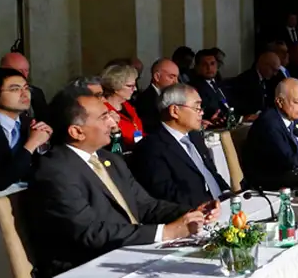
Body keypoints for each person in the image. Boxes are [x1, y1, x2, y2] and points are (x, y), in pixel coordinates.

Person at [27, 85, 216, 277]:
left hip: (130, 252)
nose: (112, 123)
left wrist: (192, 212)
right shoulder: (54, 171)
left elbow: (146, 205)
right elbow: (90, 232)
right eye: (103, 117)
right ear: (77, 132)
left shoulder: (109, 159)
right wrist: (165, 232)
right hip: (90, 266)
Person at [128, 84, 229, 208]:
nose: (202, 113)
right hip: (195, 211)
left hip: (221, 203)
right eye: (197, 108)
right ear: (174, 111)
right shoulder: (150, 148)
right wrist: (208, 205)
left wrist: (226, 192)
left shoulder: (194, 136)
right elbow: (166, 194)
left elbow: (210, 173)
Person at [0, 67, 51, 191]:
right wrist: (32, 144)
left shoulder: (30, 123)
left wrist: (42, 144)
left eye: (26, 88)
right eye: (15, 89)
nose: (24, 94)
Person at [101, 65, 145, 150]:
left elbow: (138, 132)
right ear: (115, 87)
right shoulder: (104, 111)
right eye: (130, 86)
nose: (135, 89)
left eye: (134, 85)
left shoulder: (129, 106)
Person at [0, 52, 48, 123]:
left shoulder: (36, 92)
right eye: (19, 71)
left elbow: (45, 120)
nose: (24, 75)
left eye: (26, 70)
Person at [134, 59, 180, 132]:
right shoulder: (145, 100)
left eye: (177, 77)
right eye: (171, 77)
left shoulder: (175, 96)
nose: (176, 82)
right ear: (157, 77)